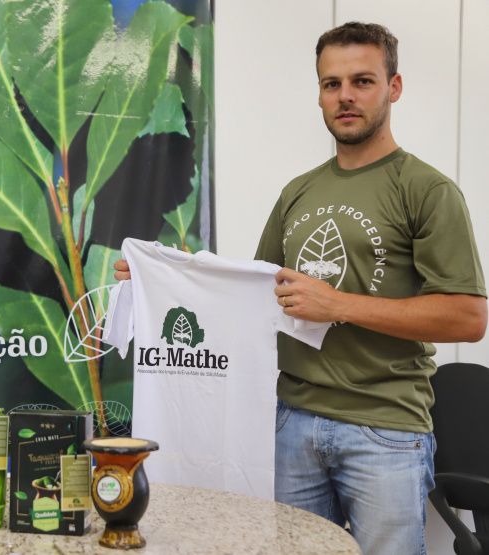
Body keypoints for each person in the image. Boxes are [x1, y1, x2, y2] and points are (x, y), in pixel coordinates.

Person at [115, 21, 487, 554]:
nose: (345, 96)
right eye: (331, 83)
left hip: (384, 429)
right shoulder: (299, 191)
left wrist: (338, 304)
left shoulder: (428, 190)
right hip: (291, 422)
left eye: (362, 81)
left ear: (394, 87)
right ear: (319, 93)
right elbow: (252, 296)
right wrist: (164, 279)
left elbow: (468, 318)